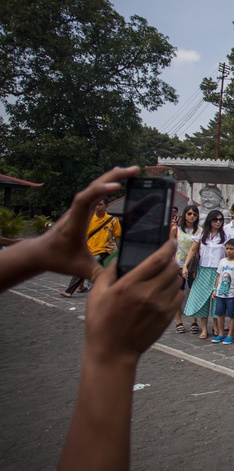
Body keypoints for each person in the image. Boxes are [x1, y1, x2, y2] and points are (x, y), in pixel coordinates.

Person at [0, 165, 183, 471]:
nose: (100, 207)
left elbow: (119, 235)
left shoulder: (111, 221)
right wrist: (112, 354)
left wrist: (36, 253)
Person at [60, 197, 120, 297]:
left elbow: (117, 237)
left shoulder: (113, 220)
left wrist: (121, 252)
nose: (97, 207)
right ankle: (73, 290)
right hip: (90, 250)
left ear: (107, 206)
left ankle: (91, 292)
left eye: (100, 204)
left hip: (104, 251)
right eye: (96, 204)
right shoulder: (89, 219)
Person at [182, 209, 227, 339]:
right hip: (203, 270)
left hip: (218, 271)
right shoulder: (202, 234)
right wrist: (185, 266)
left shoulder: (224, 236)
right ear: (210, 221)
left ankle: (216, 327)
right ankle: (204, 329)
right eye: (215, 220)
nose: (218, 222)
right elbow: (193, 249)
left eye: (220, 220)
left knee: (216, 299)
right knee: (202, 299)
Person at [172, 204, 200, 334]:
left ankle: (194, 320)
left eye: (194, 214)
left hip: (193, 265)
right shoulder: (176, 229)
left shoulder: (199, 230)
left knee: (193, 292)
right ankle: (178, 321)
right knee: (179, 293)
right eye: (189, 214)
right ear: (184, 215)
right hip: (178, 264)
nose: (192, 216)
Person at [211, 239, 234, 345]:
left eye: (231, 249)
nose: (229, 251)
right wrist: (215, 289)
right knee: (220, 313)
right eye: (227, 248)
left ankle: (230, 334)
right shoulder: (222, 261)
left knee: (232, 314)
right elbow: (219, 275)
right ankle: (221, 333)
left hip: (232, 293)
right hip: (220, 292)